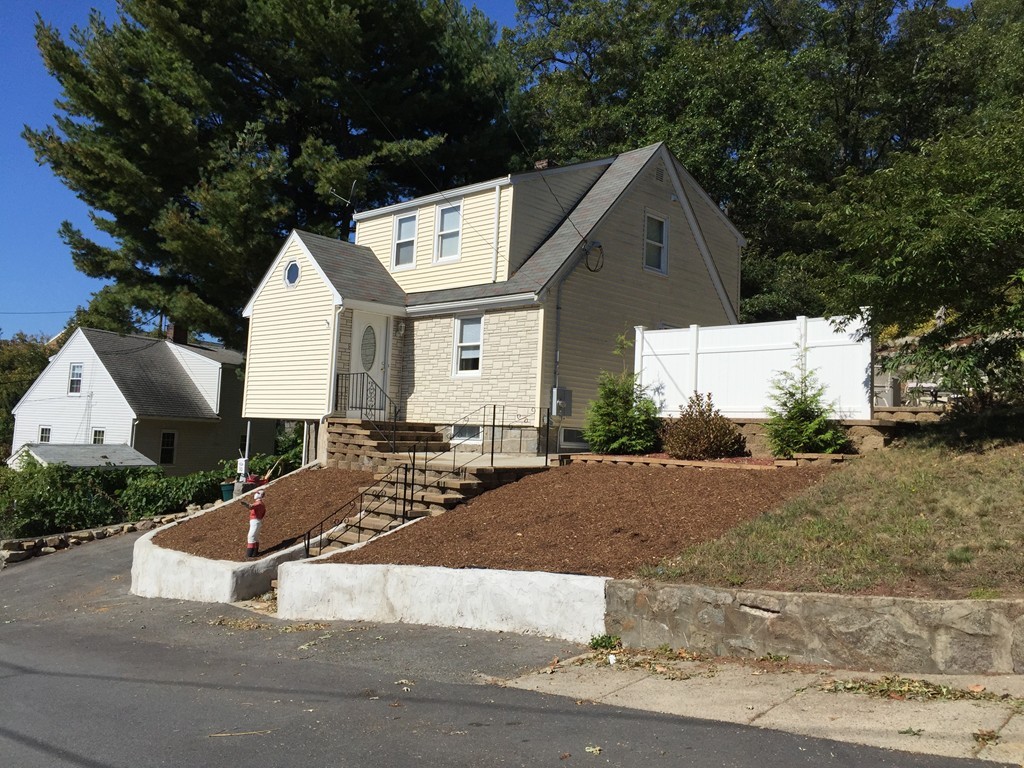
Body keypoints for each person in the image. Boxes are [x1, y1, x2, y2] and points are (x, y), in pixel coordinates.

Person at [240, 489, 266, 558]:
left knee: (251, 536)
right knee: (255, 537)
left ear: (260, 495)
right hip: (258, 521)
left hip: (255, 521)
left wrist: (245, 504)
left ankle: (249, 554)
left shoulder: (258, 503)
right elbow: (263, 513)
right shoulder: (262, 504)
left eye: (257, 493)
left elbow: (250, 506)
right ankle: (255, 553)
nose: (255, 494)